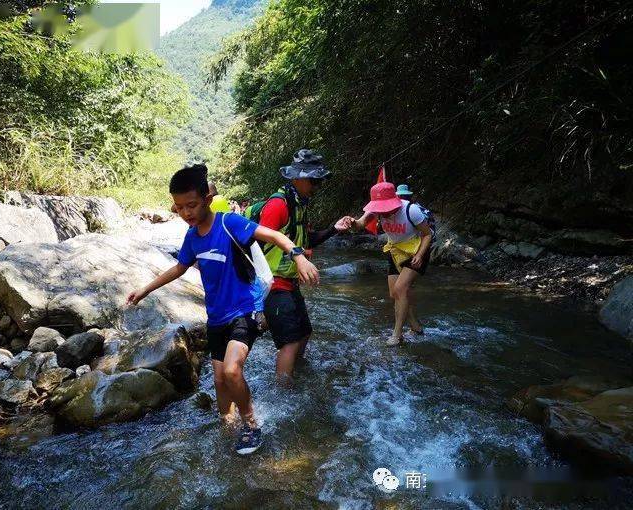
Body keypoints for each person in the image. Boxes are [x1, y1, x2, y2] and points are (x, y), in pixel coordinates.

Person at [126, 163, 320, 455]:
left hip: (245, 311)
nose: (186, 213)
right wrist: (145, 289)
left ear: (206, 198)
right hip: (216, 317)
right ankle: (226, 424)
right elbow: (180, 267)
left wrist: (298, 257)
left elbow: (275, 236)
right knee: (219, 381)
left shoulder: (230, 223)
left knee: (231, 371)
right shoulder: (192, 237)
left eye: (191, 205)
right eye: (179, 208)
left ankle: (252, 424)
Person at [253, 149, 353, 382]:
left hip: (290, 283)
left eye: (319, 181)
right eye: (314, 181)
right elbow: (255, 242)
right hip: (274, 284)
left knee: (304, 333)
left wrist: (332, 229)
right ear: (297, 178)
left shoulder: (299, 204)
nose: (317, 186)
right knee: (289, 342)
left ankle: (296, 374)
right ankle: (284, 395)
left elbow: (307, 240)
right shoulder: (278, 205)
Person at [352, 182, 432, 346]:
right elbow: (359, 224)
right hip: (395, 250)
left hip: (416, 250)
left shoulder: (411, 210)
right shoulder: (376, 210)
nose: (383, 212)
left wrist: (420, 255)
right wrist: (351, 222)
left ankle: (397, 335)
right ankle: (415, 325)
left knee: (400, 288)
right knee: (394, 294)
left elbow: (427, 234)